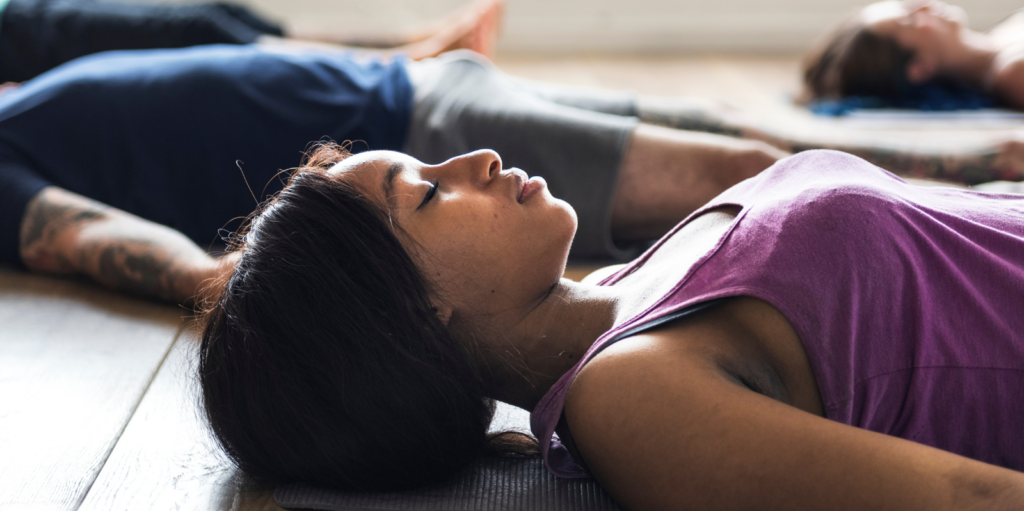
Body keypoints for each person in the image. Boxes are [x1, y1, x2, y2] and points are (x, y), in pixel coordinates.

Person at [196, 143, 1024, 509]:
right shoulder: (629, 398)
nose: (476, 161)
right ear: (410, 315)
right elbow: (965, 500)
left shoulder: (618, 286)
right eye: (430, 193)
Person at [2, 42, 783, 303]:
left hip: (418, 90)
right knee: (745, 172)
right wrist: (268, 287)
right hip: (421, 146)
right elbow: (81, 238)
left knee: (721, 129)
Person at [0, 0, 506, 84]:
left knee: (229, 15)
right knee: (201, 32)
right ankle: (406, 63)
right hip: (17, 29)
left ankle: (412, 41)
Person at [801, 0, 1024, 110]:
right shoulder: (1013, 73)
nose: (923, 2)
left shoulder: (1001, 34)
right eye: (910, 19)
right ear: (919, 67)